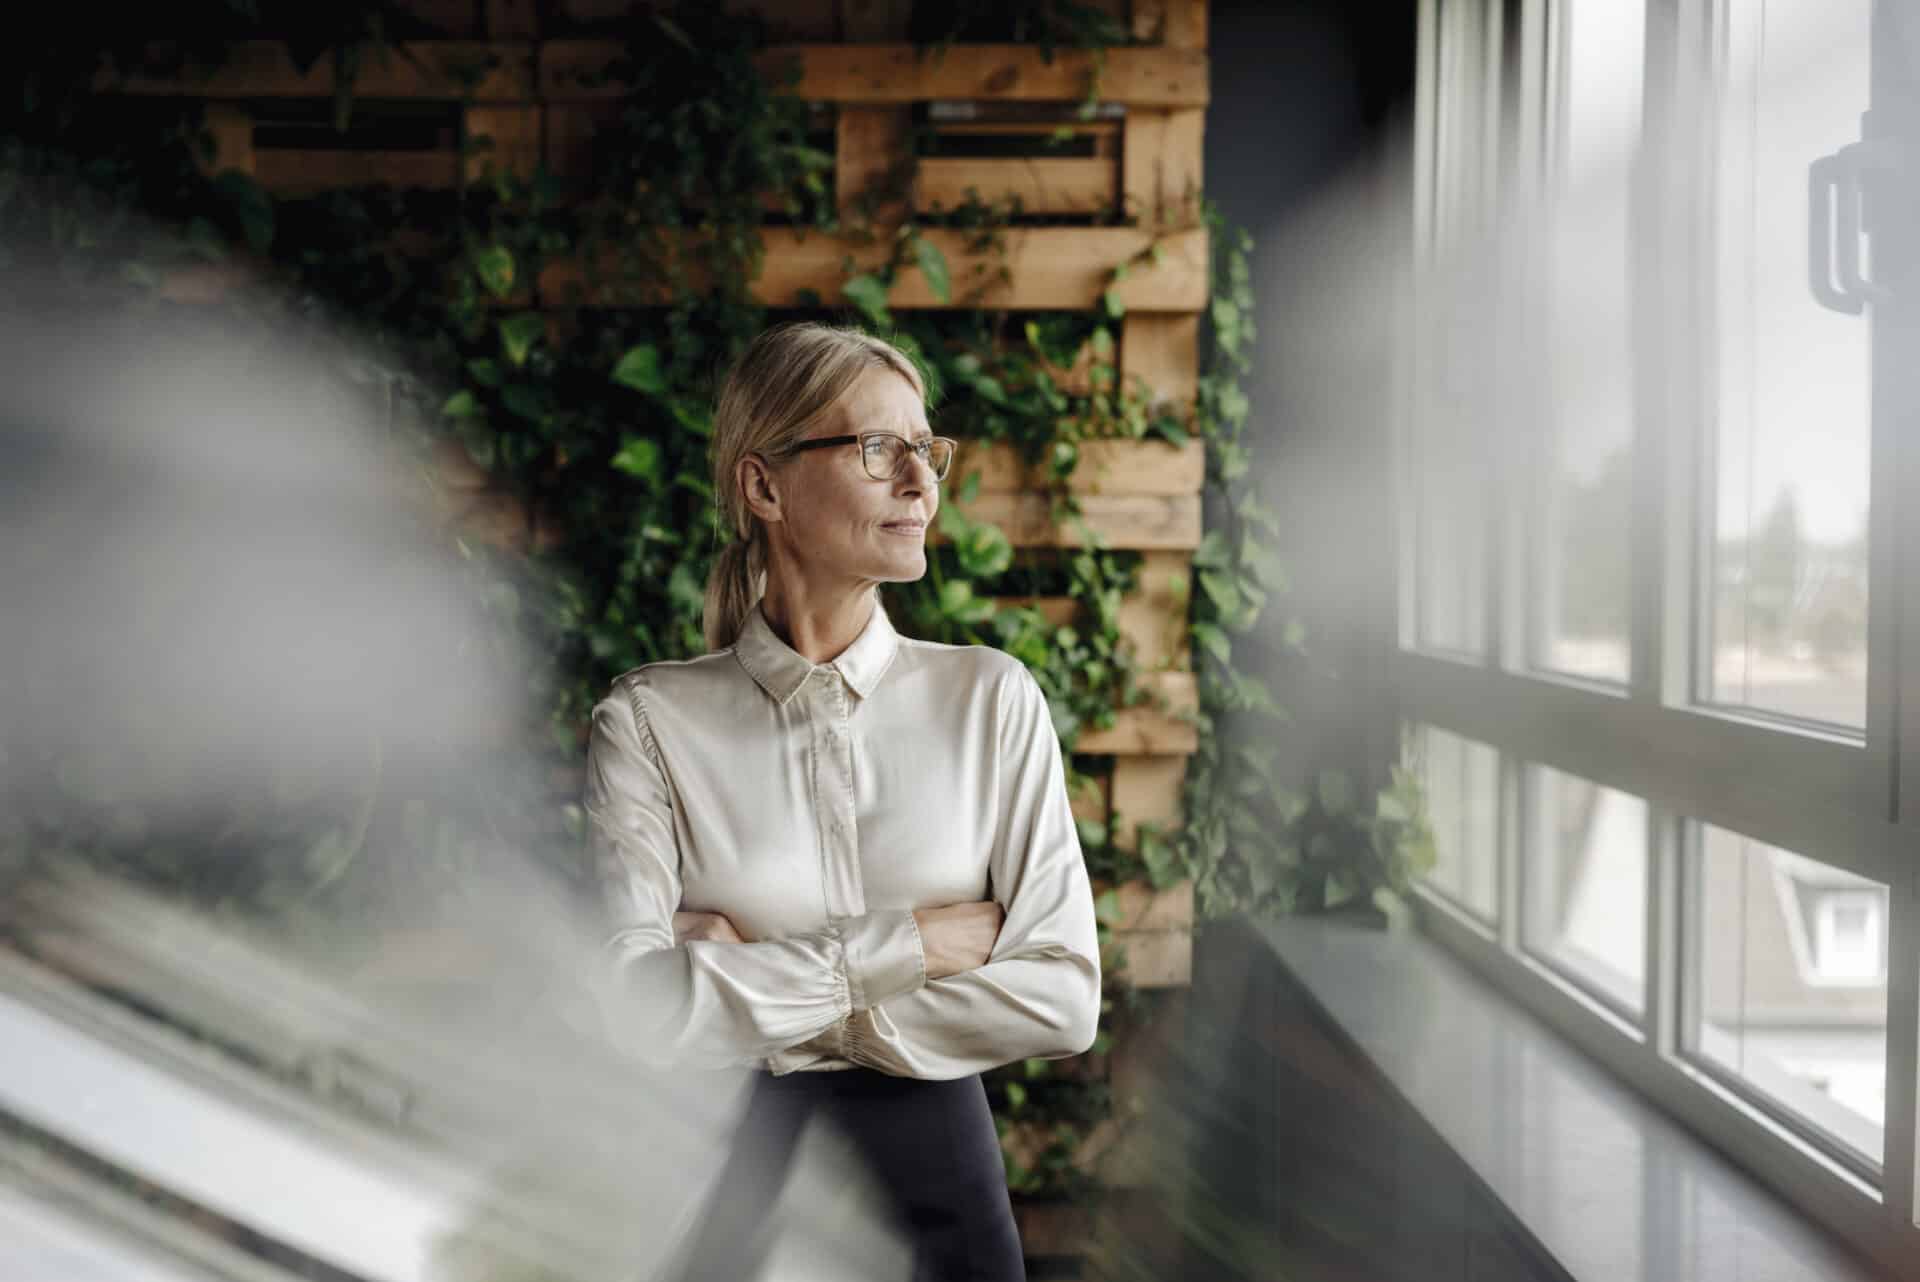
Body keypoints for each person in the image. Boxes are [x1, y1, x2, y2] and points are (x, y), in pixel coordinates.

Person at [582, 321, 1102, 1281]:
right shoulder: (649, 724)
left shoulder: (990, 700)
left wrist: (762, 997)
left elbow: (1065, 999)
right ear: (763, 485)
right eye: (877, 448)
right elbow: (632, 1009)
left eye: (925, 448)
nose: (920, 481)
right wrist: (915, 947)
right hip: (721, 1189)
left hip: (945, 1209)